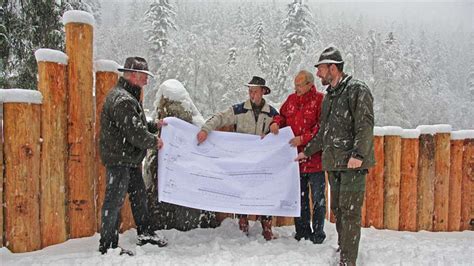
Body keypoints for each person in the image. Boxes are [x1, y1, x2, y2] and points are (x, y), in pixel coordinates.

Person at [295, 47, 375, 266]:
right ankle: (344, 248)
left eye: (321, 69)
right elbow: (324, 132)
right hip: (335, 163)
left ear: (333, 67)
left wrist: (358, 154)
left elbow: (365, 125)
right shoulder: (329, 96)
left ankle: (348, 261)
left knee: (350, 213)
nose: (319, 74)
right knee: (337, 209)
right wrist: (307, 151)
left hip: (352, 164)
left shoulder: (357, 90)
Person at [99, 57, 168, 255]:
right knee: (114, 202)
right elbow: (135, 132)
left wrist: (155, 125)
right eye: (144, 76)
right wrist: (155, 141)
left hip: (127, 159)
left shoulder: (127, 96)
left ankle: (145, 233)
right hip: (119, 160)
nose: (147, 80)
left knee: (139, 197)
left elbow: (136, 123)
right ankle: (108, 245)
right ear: (133, 75)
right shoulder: (123, 100)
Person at [196, 76, 278, 241]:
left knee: (265, 192)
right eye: (250, 91)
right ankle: (243, 223)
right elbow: (220, 117)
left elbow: (282, 130)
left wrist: (273, 130)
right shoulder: (239, 110)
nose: (251, 94)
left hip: (263, 161)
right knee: (243, 191)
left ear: (263, 92)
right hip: (243, 160)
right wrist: (205, 129)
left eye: (255, 91)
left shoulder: (272, 114)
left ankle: (267, 226)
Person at [269, 70, 326, 244]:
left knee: (318, 200)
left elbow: (321, 127)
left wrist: (303, 138)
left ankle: (317, 234)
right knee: (299, 199)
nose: (297, 88)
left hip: (315, 160)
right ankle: (301, 232)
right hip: (295, 161)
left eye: (300, 85)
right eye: (295, 85)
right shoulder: (291, 100)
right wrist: (276, 123)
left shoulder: (320, 101)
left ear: (310, 84)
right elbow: (282, 116)